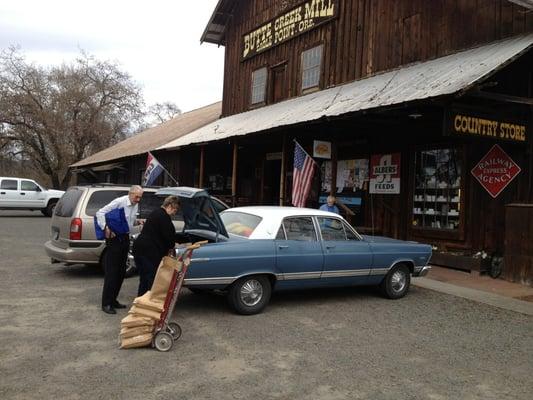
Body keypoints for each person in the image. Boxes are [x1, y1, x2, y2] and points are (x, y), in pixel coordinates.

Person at [96, 185, 144, 314]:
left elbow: (129, 222)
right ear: (130, 194)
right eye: (136, 196)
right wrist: (105, 227)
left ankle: (113, 300)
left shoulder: (135, 205)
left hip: (125, 238)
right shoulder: (120, 202)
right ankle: (106, 303)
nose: (138, 199)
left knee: (121, 272)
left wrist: (138, 222)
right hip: (114, 239)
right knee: (112, 272)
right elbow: (100, 212)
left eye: (140, 197)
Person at [132, 196, 180, 297]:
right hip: (149, 251)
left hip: (140, 248)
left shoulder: (156, 212)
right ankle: (148, 303)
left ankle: (141, 301)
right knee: (151, 279)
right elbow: (168, 237)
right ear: (170, 206)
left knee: (144, 278)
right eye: (175, 209)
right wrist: (173, 245)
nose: (175, 212)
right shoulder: (164, 217)